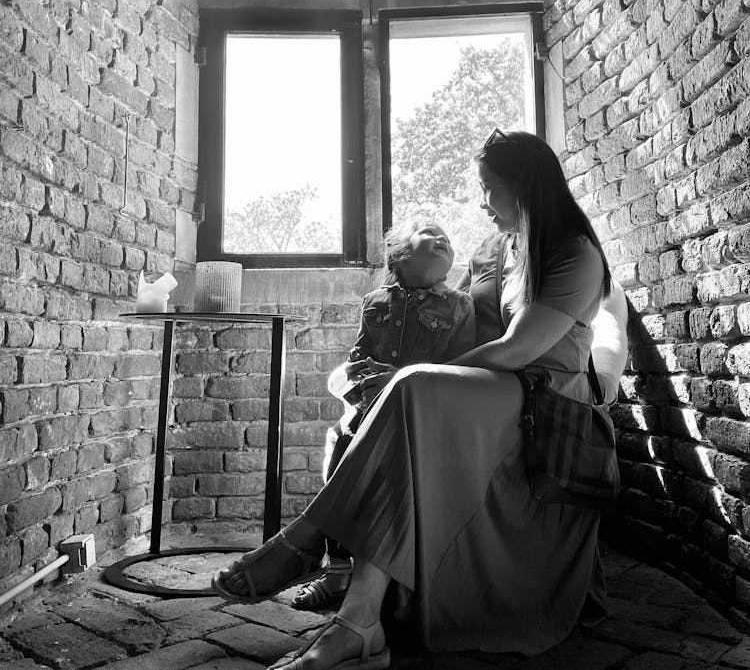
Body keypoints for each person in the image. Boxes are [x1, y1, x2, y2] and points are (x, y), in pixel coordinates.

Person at [212, 130, 621, 670]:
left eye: (489, 189)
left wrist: (421, 373)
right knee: (406, 400)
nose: (481, 202)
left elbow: (520, 348)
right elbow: (467, 321)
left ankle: (305, 541)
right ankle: (358, 623)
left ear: (525, 187)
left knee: (412, 386)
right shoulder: (510, 247)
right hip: (499, 389)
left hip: (542, 402)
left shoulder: (573, 252)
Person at [290, 218, 476, 610]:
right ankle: (337, 567)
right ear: (401, 254)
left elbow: (460, 368)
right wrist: (356, 389)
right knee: (342, 442)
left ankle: (382, 574)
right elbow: (355, 361)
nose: (443, 238)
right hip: (367, 409)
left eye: (448, 238)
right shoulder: (374, 303)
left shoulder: (460, 306)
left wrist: (404, 378)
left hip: (419, 414)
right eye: (431, 235)